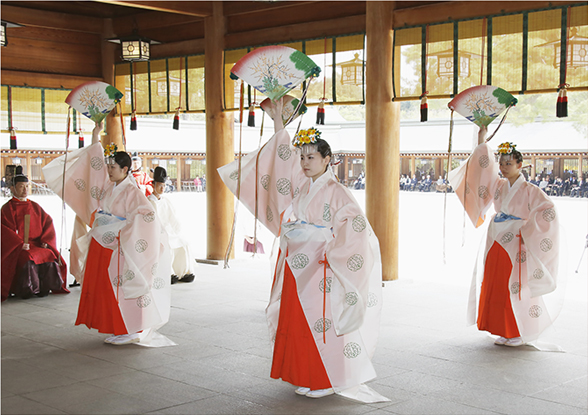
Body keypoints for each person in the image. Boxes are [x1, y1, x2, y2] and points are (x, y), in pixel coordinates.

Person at [218, 99, 387, 403]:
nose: (305, 162)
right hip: (300, 267)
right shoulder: (304, 187)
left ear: (327, 160)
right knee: (300, 323)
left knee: (322, 323)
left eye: (312, 157)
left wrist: (329, 247)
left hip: (323, 267)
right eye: (303, 157)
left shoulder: (337, 192)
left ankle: (325, 377)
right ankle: (304, 374)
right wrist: (279, 123)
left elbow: (355, 228)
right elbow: (281, 163)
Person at [43, 123, 173, 347]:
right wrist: (95, 135)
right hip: (105, 243)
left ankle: (130, 329)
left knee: (123, 287)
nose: (109, 170)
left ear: (125, 170)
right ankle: (117, 327)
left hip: (122, 246)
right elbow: (94, 167)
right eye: (109, 166)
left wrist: (121, 230)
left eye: (113, 167)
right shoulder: (109, 186)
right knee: (106, 288)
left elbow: (146, 216)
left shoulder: (133, 192)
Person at [448, 130, 562, 348]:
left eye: (509, 163)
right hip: (496, 239)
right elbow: (482, 171)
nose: (503, 167)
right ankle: (502, 329)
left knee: (515, 285)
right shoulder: (499, 185)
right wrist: (481, 140)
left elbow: (548, 210)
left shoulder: (530, 190)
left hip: (516, 241)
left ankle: (517, 330)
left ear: (520, 165)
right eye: (502, 163)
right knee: (496, 283)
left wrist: (526, 226)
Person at [1, 166, 69, 301]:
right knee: (27, 257)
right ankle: (28, 289)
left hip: (37, 244)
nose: (25, 190)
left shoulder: (35, 206)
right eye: (21, 187)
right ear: (13, 189)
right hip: (20, 246)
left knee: (48, 254)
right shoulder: (7, 209)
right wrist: (19, 244)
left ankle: (45, 287)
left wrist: (46, 241)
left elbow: (47, 223)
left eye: (27, 186)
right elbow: (5, 231)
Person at [148, 166, 196, 284]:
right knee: (167, 245)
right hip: (156, 232)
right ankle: (168, 273)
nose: (162, 188)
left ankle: (184, 272)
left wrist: (177, 230)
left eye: (164, 186)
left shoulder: (165, 201)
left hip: (169, 230)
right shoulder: (149, 201)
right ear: (153, 185)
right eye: (160, 185)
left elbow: (173, 218)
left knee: (183, 242)